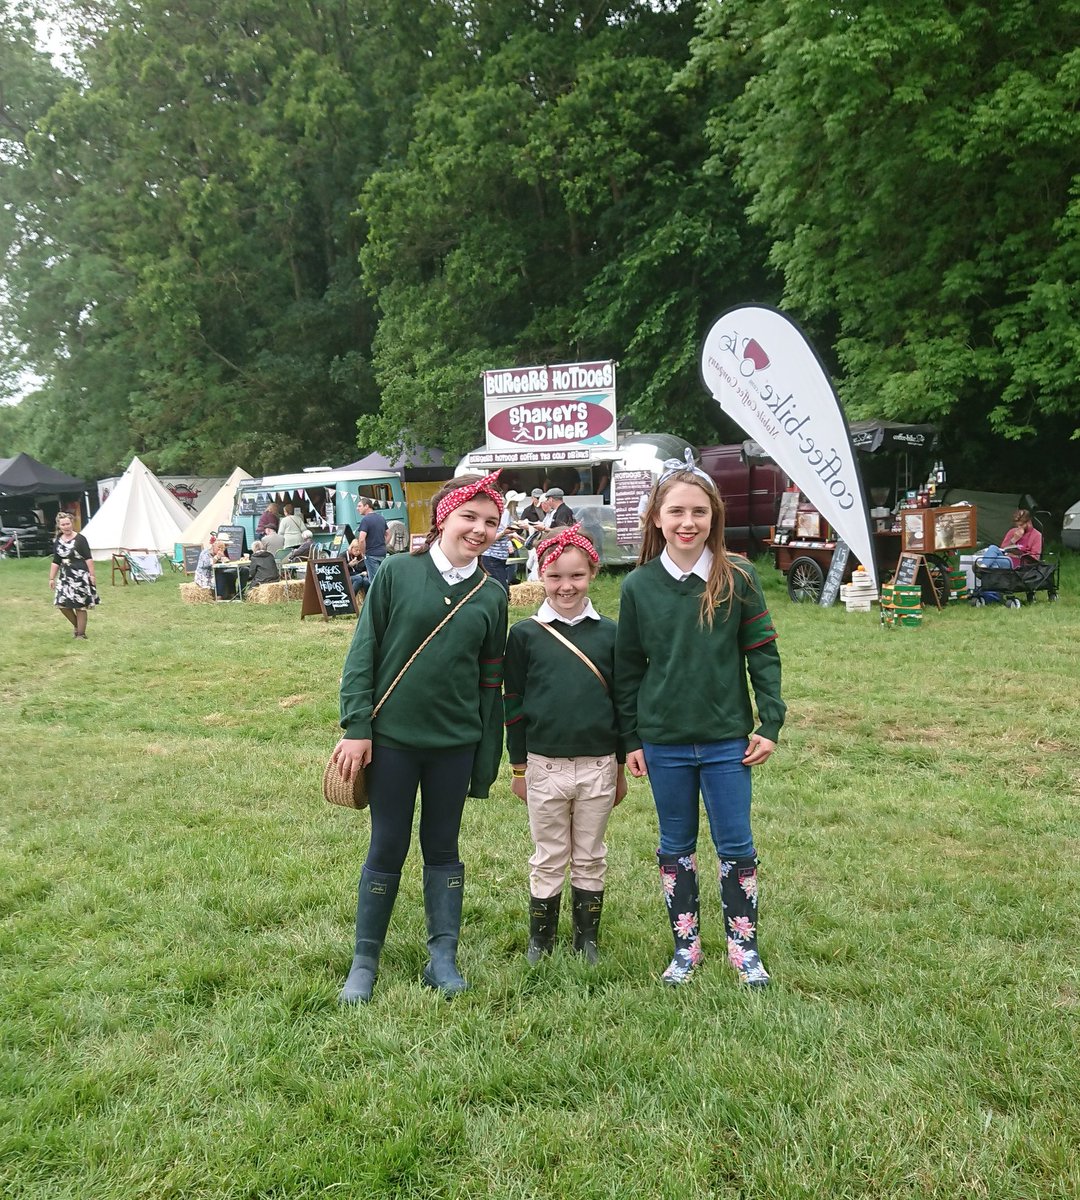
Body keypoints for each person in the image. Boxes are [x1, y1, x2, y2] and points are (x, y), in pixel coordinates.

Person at [332, 473, 509, 1004]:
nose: (479, 530)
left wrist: (486, 757)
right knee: (388, 843)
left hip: (454, 743)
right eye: (469, 517)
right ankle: (365, 961)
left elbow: (490, 684)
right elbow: (364, 651)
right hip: (392, 740)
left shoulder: (493, 594)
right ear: (442, 517)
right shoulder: (396, 573)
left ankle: (443, 958)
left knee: (443, 845)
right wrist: (357, 726)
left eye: (491, 522)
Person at [614, 451, 785, 988]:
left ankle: (743, 948)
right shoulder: (638, 586)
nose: (688, 523)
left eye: (699, 512)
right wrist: (631, 738)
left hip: (726, 741)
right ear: (656, 518)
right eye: (676, 512)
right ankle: (686, 948)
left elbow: (763, 653)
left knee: (736, 845)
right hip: (663, 741)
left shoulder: (738, 577)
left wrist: (769, 723)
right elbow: (627, 669)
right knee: (675, 845)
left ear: (714, 517)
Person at [503, 525, 626, 964]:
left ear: (593, 572)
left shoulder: (611, 634)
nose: (566, 586)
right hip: (544, 767)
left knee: (590, 854)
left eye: (576, 576)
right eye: (554, 577)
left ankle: (586, 938)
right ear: (541, 575)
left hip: (598, 765)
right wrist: (518, 768)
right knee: (549, 854)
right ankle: (541, 939)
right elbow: (513, 704)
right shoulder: (524, 635)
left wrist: (619, 767)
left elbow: (623, 702)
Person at [49, 513, 100, 639]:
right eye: (63, 524)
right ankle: (77, 625)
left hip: (80, 576)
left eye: (68, 523)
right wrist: (51, 578)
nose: (66, 526)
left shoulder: (80, 539)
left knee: (80, 606)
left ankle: (81, 634)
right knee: (62, 604)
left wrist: (92, 575)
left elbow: (88, 558)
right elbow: (56, 561)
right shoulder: (58, 541)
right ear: (59, 526)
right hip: (65, 577)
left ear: (72, 523)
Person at [355, 496, 388, 581]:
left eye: (359, 506)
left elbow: (361, 539)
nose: (357, 508)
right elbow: (388, 534)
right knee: (383, 578)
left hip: (371, 554)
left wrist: (363, 553)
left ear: (367, 506)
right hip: (382, 553)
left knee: (374, 581)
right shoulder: (381, 518)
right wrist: (384, 545)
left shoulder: (365, 520)